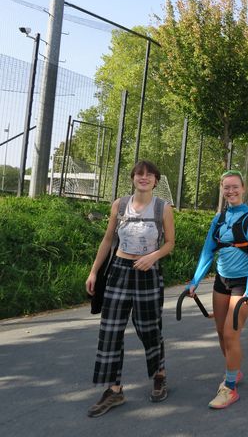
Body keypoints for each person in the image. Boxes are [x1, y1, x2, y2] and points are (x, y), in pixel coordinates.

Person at [85, 160, 175, 418]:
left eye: (149, 175)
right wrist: (94, 271)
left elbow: (170, 243)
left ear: (156, 180)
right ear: (133, 178)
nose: (144, 178)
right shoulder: (119, 205)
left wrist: (154, 257)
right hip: (119, 271)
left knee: (149, 329)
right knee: (110, 330)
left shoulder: (163, 208)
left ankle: (159, 374)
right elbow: (108, 239)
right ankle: (114, 390)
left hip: (148, 273)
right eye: (139, 174)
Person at [188, 170, 248, 409]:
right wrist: (195, 281)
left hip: (243, 283)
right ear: (222, 190)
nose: (230, 191)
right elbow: (208, 251)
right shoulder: (219, 219)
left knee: (231, 334)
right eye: (226, 187)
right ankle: (234, 371)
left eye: (234, 187)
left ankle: (229, 388)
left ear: (243, 189)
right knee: (221, 333)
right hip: (222, 281)